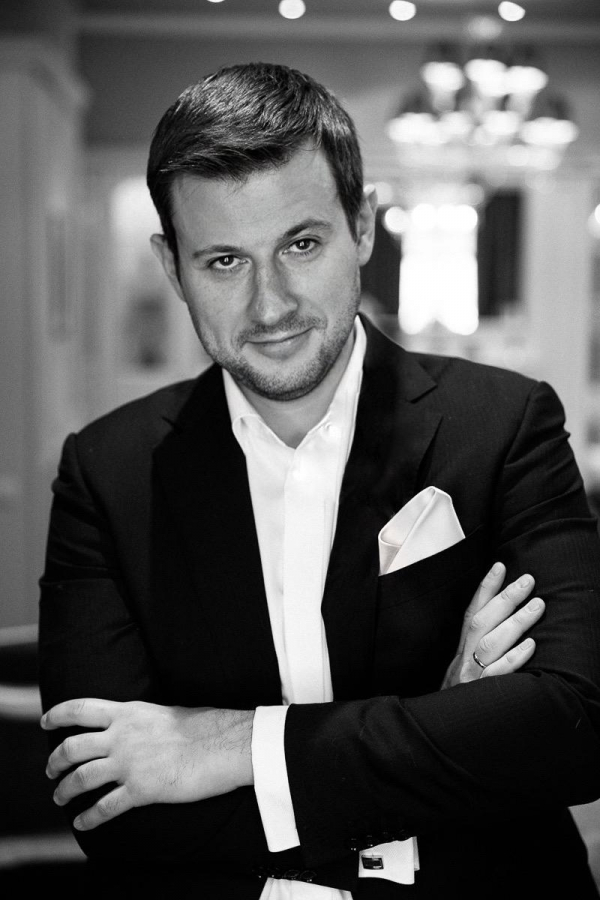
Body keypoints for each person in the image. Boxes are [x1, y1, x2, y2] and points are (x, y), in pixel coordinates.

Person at [37, 62, 600, 899]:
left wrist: (229, 747)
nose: (270, 306)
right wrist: (445, 722)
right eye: (223, 261)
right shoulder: (105, 472)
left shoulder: (505, 425)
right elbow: (112, 806)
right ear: (171, 266)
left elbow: (573, 732)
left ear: (361, 227)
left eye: (301, 245)